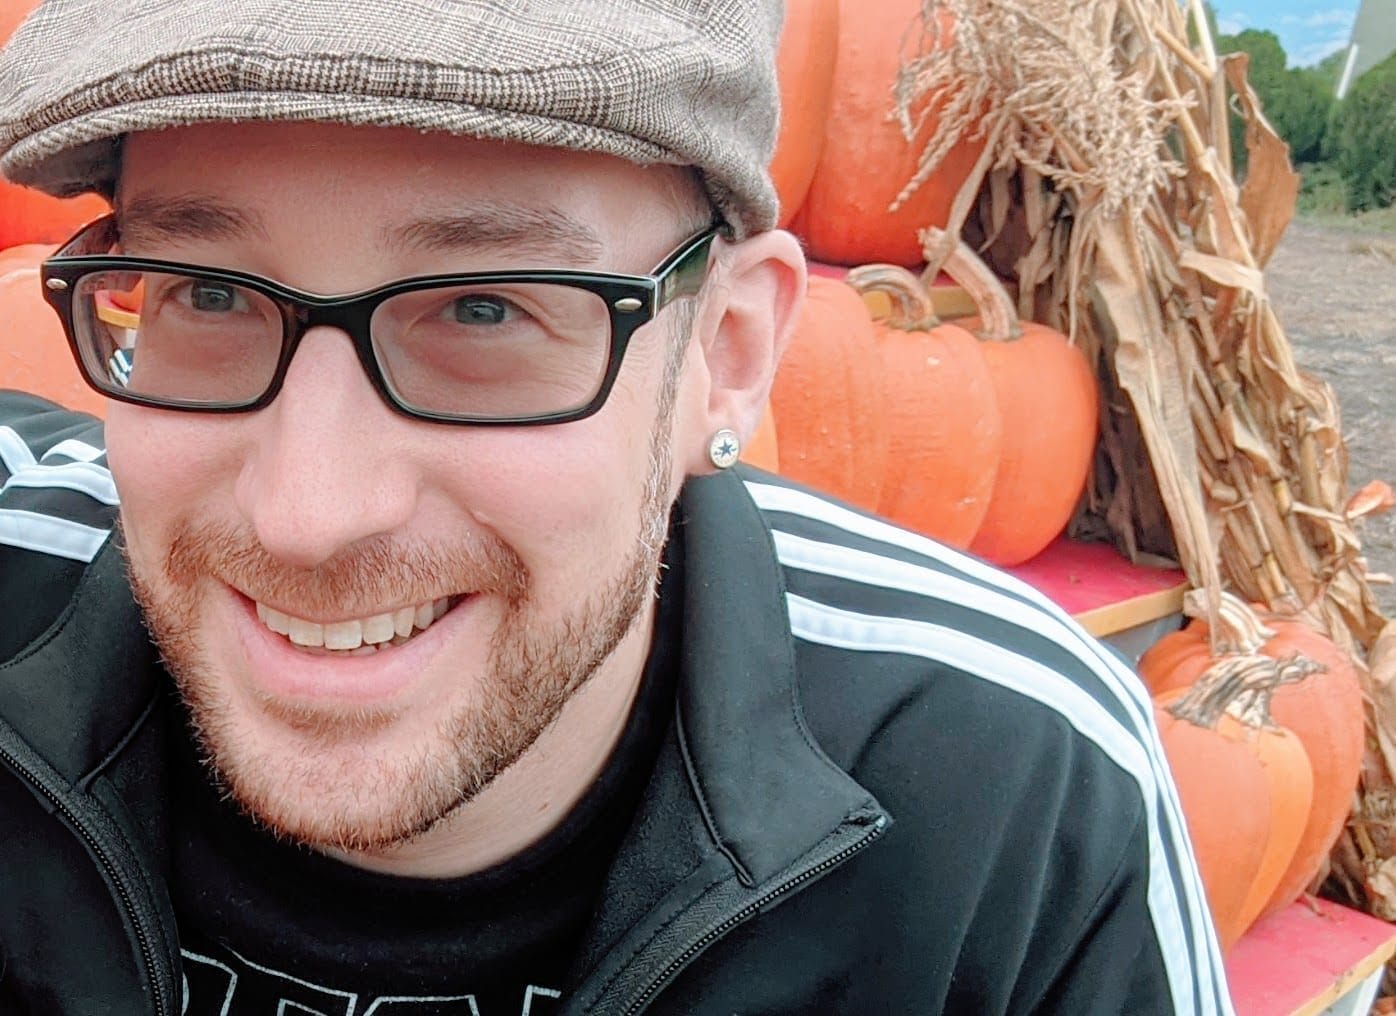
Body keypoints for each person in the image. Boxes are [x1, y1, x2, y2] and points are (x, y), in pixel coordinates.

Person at [0, 1, 1232, 1013]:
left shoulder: (1015, 791)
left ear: (729, 353)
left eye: (485, 309)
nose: (306, 514)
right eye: (205, 297)